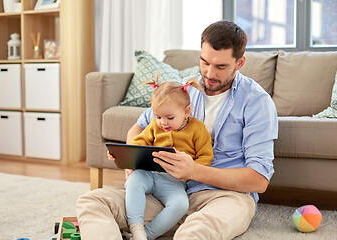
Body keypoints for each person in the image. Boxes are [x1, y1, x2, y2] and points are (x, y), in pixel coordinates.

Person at [76, 20, 278, 240]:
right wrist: (131, 161)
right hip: (167, 191)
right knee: (92, 201)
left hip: (225, 198)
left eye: (221, 67)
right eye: (204, 62)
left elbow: (259, 180)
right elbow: (139, 126)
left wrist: (193, 171)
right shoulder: (181, 89)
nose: (209, 73)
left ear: (240, 63)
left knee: (196, 232)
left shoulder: (257, 101)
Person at [108, 77, 213, 240]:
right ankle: (136, 227)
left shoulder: (198, 129)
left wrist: (191, 169)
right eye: (158, 117)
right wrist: (122, 154)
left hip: (174, 182)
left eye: (169, 118)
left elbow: (206, 156)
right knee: (133, 181)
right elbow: (139, 142)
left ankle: (147, 234)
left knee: (181, 204)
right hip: (148, 173)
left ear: (186, 112)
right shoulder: (154, 126)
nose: (162, 123)